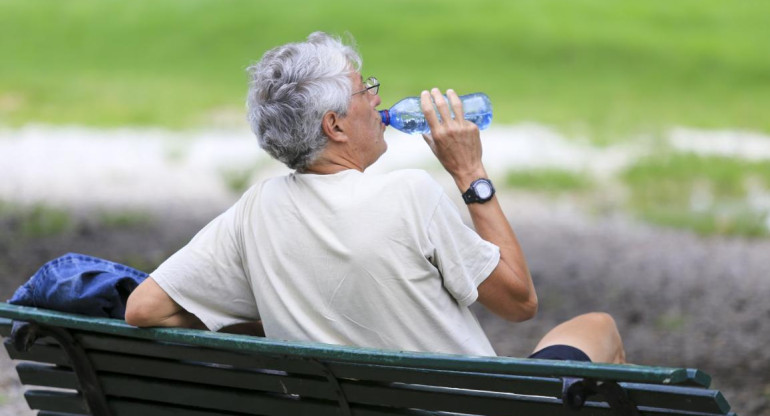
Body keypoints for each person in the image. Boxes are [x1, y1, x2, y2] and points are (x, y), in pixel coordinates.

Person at [125, 32, 625, 364]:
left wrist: (280, 321)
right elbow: (519, 303)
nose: (377, 100)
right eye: (364, 89)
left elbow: (143, 308)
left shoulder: (254, 211)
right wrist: (471, 173)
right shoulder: (410, 195)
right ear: (334, 125)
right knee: (596, 328)